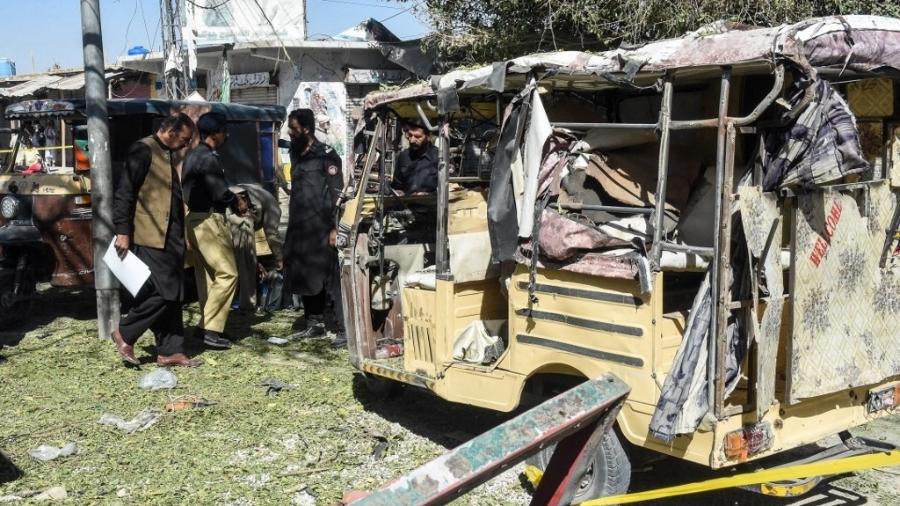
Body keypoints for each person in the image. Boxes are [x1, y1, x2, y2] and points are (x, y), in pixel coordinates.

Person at [110, 113, 199, 367]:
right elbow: (124, 193)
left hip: (170, 237)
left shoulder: (167, 152)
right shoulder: (143, 150)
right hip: (150, 236)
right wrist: (122, 231)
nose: (186, 144)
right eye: (184, 139)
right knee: (166, 292)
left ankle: (170, 350)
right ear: (170, 133)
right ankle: (125, 332)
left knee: (176, 292)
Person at [182, 112, 245, 349]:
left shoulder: (192, 155)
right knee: (228, 274)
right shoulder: (207, 158)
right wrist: (236, 200)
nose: (226, 135)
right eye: (224, 131)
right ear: (215, 134)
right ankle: (208, 329)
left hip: (194, 221)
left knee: (209, 277)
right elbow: (220, 192)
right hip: (209, 221)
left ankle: (208, 328)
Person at [283, 108, 346, 347]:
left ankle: (343, 328)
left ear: (306, 129)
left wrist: (335, 228)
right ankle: (314, 323)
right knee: (304, 273)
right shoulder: (295, 153)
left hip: (322, 226)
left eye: (294, 128)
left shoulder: (327, 155)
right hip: (300, 226)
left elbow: (337, 193)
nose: (290, 132)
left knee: (331, 278)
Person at [391, 121, 439, 196]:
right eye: (410, 135)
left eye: (417, 137)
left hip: (433, 205)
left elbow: (450, 187)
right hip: (407, 205)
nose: (412, 140)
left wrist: (429, 195)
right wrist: (400, 193)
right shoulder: (403, 156)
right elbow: (397, 185)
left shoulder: (439, 156)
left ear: (428, 137)